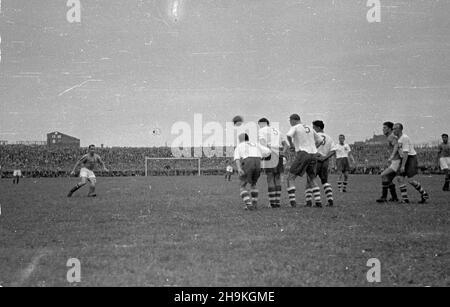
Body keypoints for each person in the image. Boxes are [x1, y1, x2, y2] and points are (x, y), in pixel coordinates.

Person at [285, 114, 324, 208]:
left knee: (290, 178)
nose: (290, 123)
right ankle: (318, 202)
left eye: (290, 121)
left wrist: (291, 145)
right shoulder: (310, 127)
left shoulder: (296, 127)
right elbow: (320, 140)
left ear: (293, 120)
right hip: (313, 154)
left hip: (303, 153)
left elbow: (288, 135)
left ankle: (292, 203)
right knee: (312, 178)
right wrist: (314, 148)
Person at [393, 123, 429, 204]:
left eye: (395, 129)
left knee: (410, 180)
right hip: (404, 158)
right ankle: (405, 199)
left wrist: (402, 166)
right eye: (393, 128)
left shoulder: (404, 138)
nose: (393, 130)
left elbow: (406, 153)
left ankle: (424, 193)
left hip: (410, 158)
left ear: (400, 129)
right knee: (399, 178)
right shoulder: (397, 139)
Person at [258, 117, 288, 208]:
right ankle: (277, 202)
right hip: (279, 154)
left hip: (270, 154)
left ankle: (272, 203)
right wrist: (283, 152)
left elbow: (263, 143)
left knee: (270, 177)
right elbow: (286, 144)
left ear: (262, 123)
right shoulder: (277, 131)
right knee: (277, 177)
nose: (259, 126)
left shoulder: (262, 130)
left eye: (259, 124)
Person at [234, 133, 264, 211]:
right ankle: (254, 204)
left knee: (242, 185)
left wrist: (239, 169)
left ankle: (249, 204)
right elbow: (267, 152)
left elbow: (237, 159)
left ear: (240, 139)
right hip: (258, 161)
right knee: (253, 184)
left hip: (248, 161)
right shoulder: (256, 144)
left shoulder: (239, 146)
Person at [312, 120, 337, 207]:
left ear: (318, 127)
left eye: (314, 127)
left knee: (311, 180)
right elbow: (333, 150)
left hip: (315, 160)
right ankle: (330, 200)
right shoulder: (329, 138)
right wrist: (325, 157)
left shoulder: (315, 136)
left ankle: (315, 202)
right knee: (325, 181)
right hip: (325, 161)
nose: (313, 129)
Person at [376, 122, 400, 203]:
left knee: (383, 175)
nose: (383, 129)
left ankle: (384, 197)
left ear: (390, 129)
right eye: (383, 128)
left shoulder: (391, 136)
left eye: (385, 128)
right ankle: (394, 198)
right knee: (388, 179)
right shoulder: (391, 136)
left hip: (396, 161)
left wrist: (392, 155)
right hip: (396, 161)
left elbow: (396, 145)